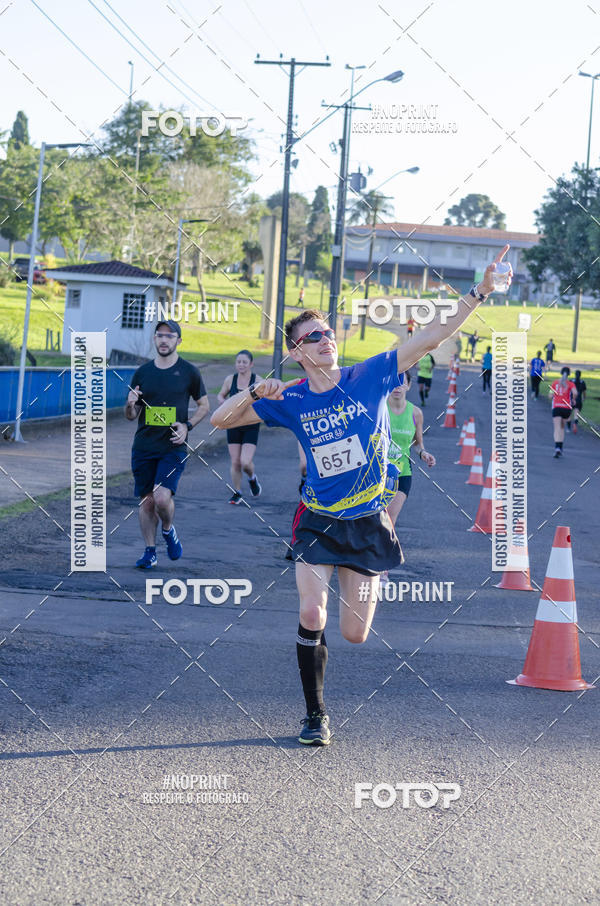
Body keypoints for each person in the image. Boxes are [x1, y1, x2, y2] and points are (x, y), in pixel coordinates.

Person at [210, 248, 510, 746]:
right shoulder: (290, 398)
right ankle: (315, 716)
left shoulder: (366, 376)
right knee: (311, 613)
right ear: (298, 352)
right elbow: (222, 419)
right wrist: (256, 393)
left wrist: (479, 292)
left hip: (368, 520)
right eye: (314, 337)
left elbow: (435, 336)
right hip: (317, 519)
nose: (326, 340)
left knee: (354, 634)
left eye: (328, 333)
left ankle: (363, 582)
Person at [125, 320, 209, 568]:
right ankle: (150, 551)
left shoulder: (189, 372)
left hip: (173, 447)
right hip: (144, 446)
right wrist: (131, 404)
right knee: (147, 501)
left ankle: (168, 529)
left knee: (161, 498)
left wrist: (188, 426)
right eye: (159, 335)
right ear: (154, 339)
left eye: (169, 336)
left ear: (178, 341)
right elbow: (131, 415)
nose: (164, 340)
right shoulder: (143, 373)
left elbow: (204, 405)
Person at [384, 372, 435, 580]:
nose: (397, 387)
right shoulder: (379, 408)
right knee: (374, 520)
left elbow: (417, 443)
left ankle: (382, 569)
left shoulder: (416, 413)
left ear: (408, 386)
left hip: (402, 473)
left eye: (401, 383)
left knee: (389, 519)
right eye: (393, 383)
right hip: (377, 473)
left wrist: (423, 453)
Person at [217, 350, 262, 504]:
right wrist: (222, 402)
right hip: (233, 424)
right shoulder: (230, 380)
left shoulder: (258, 381)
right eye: (238, 362)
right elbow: (221, 395)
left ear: (251, 364)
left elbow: (266, 400)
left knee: (245, 462)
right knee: (235, 461)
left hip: (251, 425)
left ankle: (252, 478)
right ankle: (237, 492)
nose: (241, 365)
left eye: (244, 362)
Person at [549, 366, 577, 458]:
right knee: (562, 428)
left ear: (561, 373)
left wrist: (554, 396)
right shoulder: (570, 384)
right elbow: (575, 393)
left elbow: (550, 395)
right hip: (566, 408)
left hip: (557, 407)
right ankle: (560, 448)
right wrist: (573, 399)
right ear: (569, 374)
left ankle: (557, 448)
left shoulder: (555, 383)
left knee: (557, 428)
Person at [569, 370, 587, 434]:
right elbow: (584, 393)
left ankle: (568, 428)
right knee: (576, 414)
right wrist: (583, 398)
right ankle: (575, 424)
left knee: (569, 414)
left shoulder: (571, 381)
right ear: (580, 375)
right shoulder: (583, 382)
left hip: (571, 399)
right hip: (578, 400)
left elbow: (568, 390)